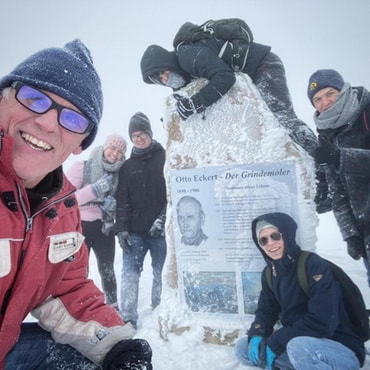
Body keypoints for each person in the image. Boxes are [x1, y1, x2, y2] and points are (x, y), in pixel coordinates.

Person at [0, 39, 152, 369]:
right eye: (34, 98)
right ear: (3, 98)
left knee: (89, 354)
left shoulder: (59, 203)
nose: (48, 123)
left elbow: (64, 287)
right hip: (89, 224)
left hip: (101, 228)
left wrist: (117, 346)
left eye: (73, 119)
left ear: (80, 142)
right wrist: (96, 191)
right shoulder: (82, 173)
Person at [140, 19, 331, 214]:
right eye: (159, 79)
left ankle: (327, 175)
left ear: (167, 62)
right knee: (270, 127)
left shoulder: (188, 56)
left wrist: (196, 103)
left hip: (263, 65)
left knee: (283, 119)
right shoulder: (184, 72)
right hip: (251, 74)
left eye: (163, 72)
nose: (165, 79)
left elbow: (225, 77)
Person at [234, 212, 365, 369]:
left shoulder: (313, 265)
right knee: (243, 348)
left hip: (338, 348)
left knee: (298, 347)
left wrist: (276, 341)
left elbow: (323, 322)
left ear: (287, 235)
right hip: (299, 347)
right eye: (263, 240)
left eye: (275, 236)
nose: (270, 243)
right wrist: (257, 334)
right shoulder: (269, 273)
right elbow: (266, 310)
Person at [308, 69, 370, 286]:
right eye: (317, 99)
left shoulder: (366, 112)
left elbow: (340, 161)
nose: (325, 102)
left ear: (342, 90)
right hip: (365, 231)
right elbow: (337, 190)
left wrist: (341, 157)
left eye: (330, 94)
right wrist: (350, 233)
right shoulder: (326, 134)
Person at [114, 112, 167, 329]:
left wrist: (163, 220)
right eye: (134, 135)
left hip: (160, 232)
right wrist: (121, 230)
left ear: (150, 133)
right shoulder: (127, 166)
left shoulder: (165, 157)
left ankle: (160, 308)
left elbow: (172, 193)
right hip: (135, 230)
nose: (138, 138)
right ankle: (128, 317)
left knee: (160, 271)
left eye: (142, 133)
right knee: (129, 273)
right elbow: (122, 200)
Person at [66, 133, 127, 309]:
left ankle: (113, 306)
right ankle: (79, 308)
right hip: (80, 227)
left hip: (104, 228)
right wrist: (94, 190)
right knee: (79, 271)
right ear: (104, 147)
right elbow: (66, 200)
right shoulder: (82, 167)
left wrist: (113, 206)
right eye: (112, 148)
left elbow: (124, 202)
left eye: (120, 152)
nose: (115, 154)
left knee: (107, 269)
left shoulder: (119, 175)